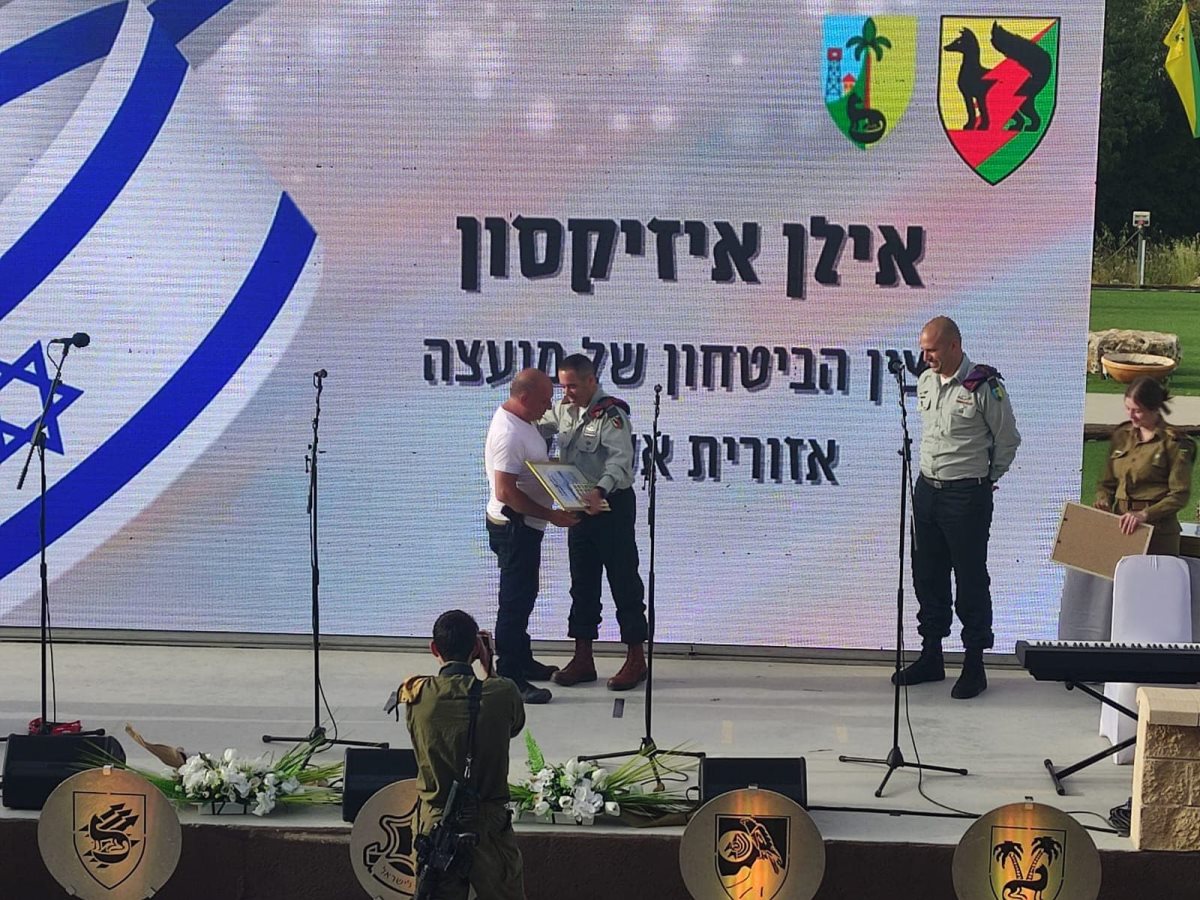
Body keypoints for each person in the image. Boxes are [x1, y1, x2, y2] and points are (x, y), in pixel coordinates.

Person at [895, 316, 1021, 700]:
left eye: (931, 349)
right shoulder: (926, 381)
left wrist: (987, 477)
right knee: (927, 575)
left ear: (953, 346)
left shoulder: (984, 386)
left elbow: (1008, 439)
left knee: (969, 579)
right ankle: (931, 655)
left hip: (966, 495)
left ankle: (974, 664)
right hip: (927, 491)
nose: (925, 357)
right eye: (923, 349)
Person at [538, 354, 648, 691]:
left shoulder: (612, 415)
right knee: (582, 584)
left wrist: (600, 490)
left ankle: (636, 658)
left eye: (572, 385)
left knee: (624, 582)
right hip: (578, 506)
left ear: (591, 380)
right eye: (563, 386)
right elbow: (535, 423)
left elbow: (620, 461)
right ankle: (583, 657)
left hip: (610, 505)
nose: (567, 392)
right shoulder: (563, 410)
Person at [399, 609, 526, 900]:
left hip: (437, 822)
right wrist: (489, 668)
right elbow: (514, 726)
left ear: (434, 648)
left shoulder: (418, 695)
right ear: (476, 647)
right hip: (488, 824)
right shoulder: (502, 692)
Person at [485, 368, 578, 704]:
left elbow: (531, 466)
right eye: (544, 400)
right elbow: (506, 492)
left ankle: (522, 660)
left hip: (526, 527)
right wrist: (551, 514)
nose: (548, 406)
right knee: (514, 602)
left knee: (524, 596)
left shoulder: (523, 422)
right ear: (524, 398)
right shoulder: (509, 434)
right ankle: (509, 675)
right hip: (516, 527)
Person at [1095, 375, 1195, 556]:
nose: (1130, 415)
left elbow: (1179, 495)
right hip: (1121, 527)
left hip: (1158, 533)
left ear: (1154, 408)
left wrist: (1144, 515)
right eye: (1127, 408)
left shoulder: (1175, 443)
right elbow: (1107, 483)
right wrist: (1104, 501)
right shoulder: (1122, 436)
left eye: (1137, 411)